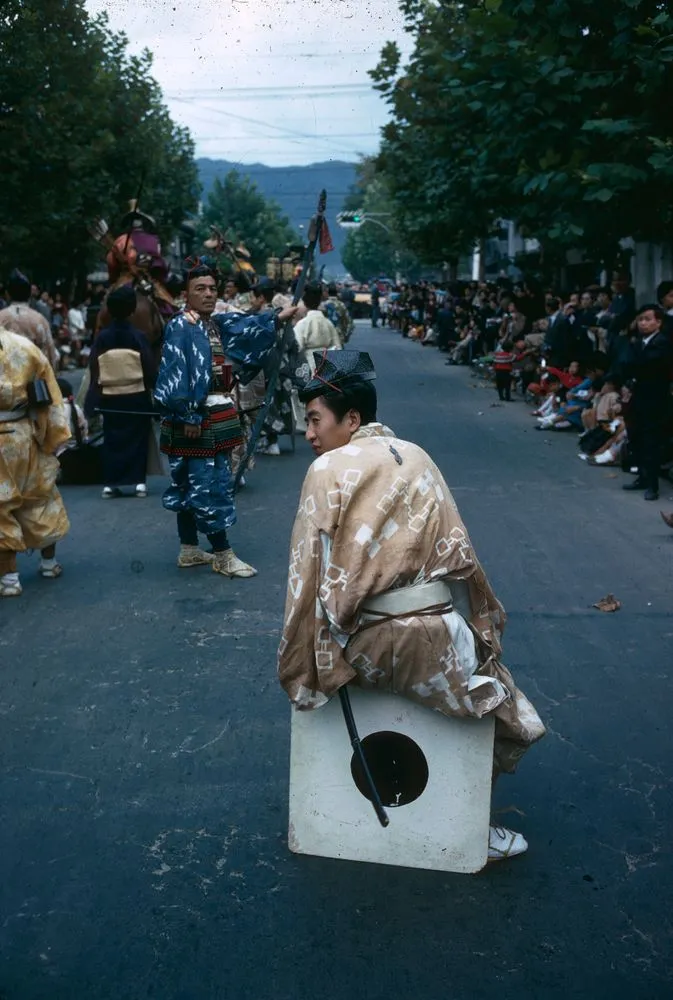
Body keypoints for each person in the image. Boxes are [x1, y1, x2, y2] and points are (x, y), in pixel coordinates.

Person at [278, 350, 545, 862]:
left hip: (367, 643)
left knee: (326, 685)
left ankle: (428, 819)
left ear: (351, 419)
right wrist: (480, 633)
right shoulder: (417, 456)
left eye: (314, 419)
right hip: (439, 636)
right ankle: (472, 824)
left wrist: (304, 666)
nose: (308, 433)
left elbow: (306, 577)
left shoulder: (326, 469)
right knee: (502, 708)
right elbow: (461, 556)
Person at [154, 264, 296, 576]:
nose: (207, 294)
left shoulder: (212, 323)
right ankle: (222, 554)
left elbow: (243, 325)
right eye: (199, 289)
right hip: (195, 418)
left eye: (211, 289)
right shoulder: (182, 326)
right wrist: (188, 413)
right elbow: (176, 372)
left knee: (192, 485)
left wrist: (275, 318)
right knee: (208, 486)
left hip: (211, 414)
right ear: (186, 294)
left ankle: (189, 548)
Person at [0, 328, 71, 597]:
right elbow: (49, 395)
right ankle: (49, 563)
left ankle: (8, 579)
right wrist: (51, 438)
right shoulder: (24, 346)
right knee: (40, 496)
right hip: (21, 435)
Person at [85, 286, 157, 498]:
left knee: (112, 436)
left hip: (109, 394)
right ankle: (139, 482)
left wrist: (94, 394)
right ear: (133, 310)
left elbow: (94, 367)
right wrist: (153, 387)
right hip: (136, 394)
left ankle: (110, 483)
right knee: (138, 436)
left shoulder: (102, 338)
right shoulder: (139, 337)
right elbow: (148, 367)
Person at [620, 304, 673, 501]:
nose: (643, 323)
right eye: (640, 319)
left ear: (658, 322)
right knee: (637, 438)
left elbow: (650, 367)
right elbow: (626, 364)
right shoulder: (638, 342)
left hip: (656, 399)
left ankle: (653, 485)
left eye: (648, 319)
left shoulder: (663, 343)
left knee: (651, 442)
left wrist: (635, 369)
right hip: (638, 396)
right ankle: (641, 477)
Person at [0, 269, 59, 370]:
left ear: (7, 294)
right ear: (29, 295)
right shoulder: (39, 320)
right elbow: (51, 356)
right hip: (32, 379)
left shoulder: (1, 317)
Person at [293, 282, 341, 369]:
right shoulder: (328, 323)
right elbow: (337, 347)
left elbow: (297, 348)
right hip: (327, 365)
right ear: (320, 301)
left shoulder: (302, 324)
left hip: (309, 365)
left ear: (304, 301)